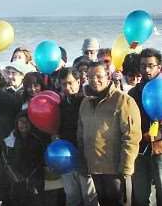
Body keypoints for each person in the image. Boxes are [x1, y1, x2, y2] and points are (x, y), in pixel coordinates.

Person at [78, 61, 141, 206]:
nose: (94, 80)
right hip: (94, 167)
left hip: (116, 169)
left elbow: (131, 137)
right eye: (90, 76)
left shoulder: (123, 100)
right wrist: (83, 162)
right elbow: (81, 134)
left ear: (108, 76)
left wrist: (125, 168)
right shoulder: (85, 102)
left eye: (99, 76)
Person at [57, 68, 98, 206]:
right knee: (71, 195)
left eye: (70, 83)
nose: (67, 87)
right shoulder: (61, 104)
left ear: (79, 81)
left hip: (85, 155)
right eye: (63, 84)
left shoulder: (87, 102)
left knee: (90, 196)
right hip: (66, 156)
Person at [128, 48, 162, 206]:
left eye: (151, 65)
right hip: (140, 151)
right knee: (140, 196)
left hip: (160, 149)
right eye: (143, 66)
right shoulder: (133, 93)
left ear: (159, 67)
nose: (146, 69)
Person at [2, 111, 45, 206]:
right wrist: (18, 179)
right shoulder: (9, 141)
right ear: (17, 123)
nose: (24, 124)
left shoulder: (36, 141)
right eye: (21, 121)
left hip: (33, 183)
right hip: (15, 183)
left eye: (27, 122)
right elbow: (6, 162)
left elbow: (40, 162)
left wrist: (30, 179)